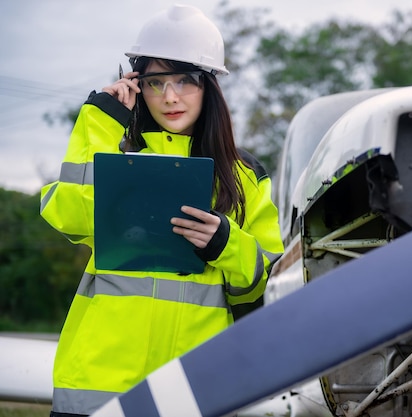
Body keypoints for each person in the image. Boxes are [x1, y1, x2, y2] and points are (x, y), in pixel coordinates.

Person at [40, 4, 284, 416]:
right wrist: (98, 123)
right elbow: (69, 215)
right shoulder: (115, 153)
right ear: (137, 85)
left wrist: (226, 244)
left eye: (184, 81)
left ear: (208, 87)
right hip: (96, 383)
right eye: (155, 82)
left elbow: (267, 284)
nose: (169, 97)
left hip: (194, 386)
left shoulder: (245, 177)